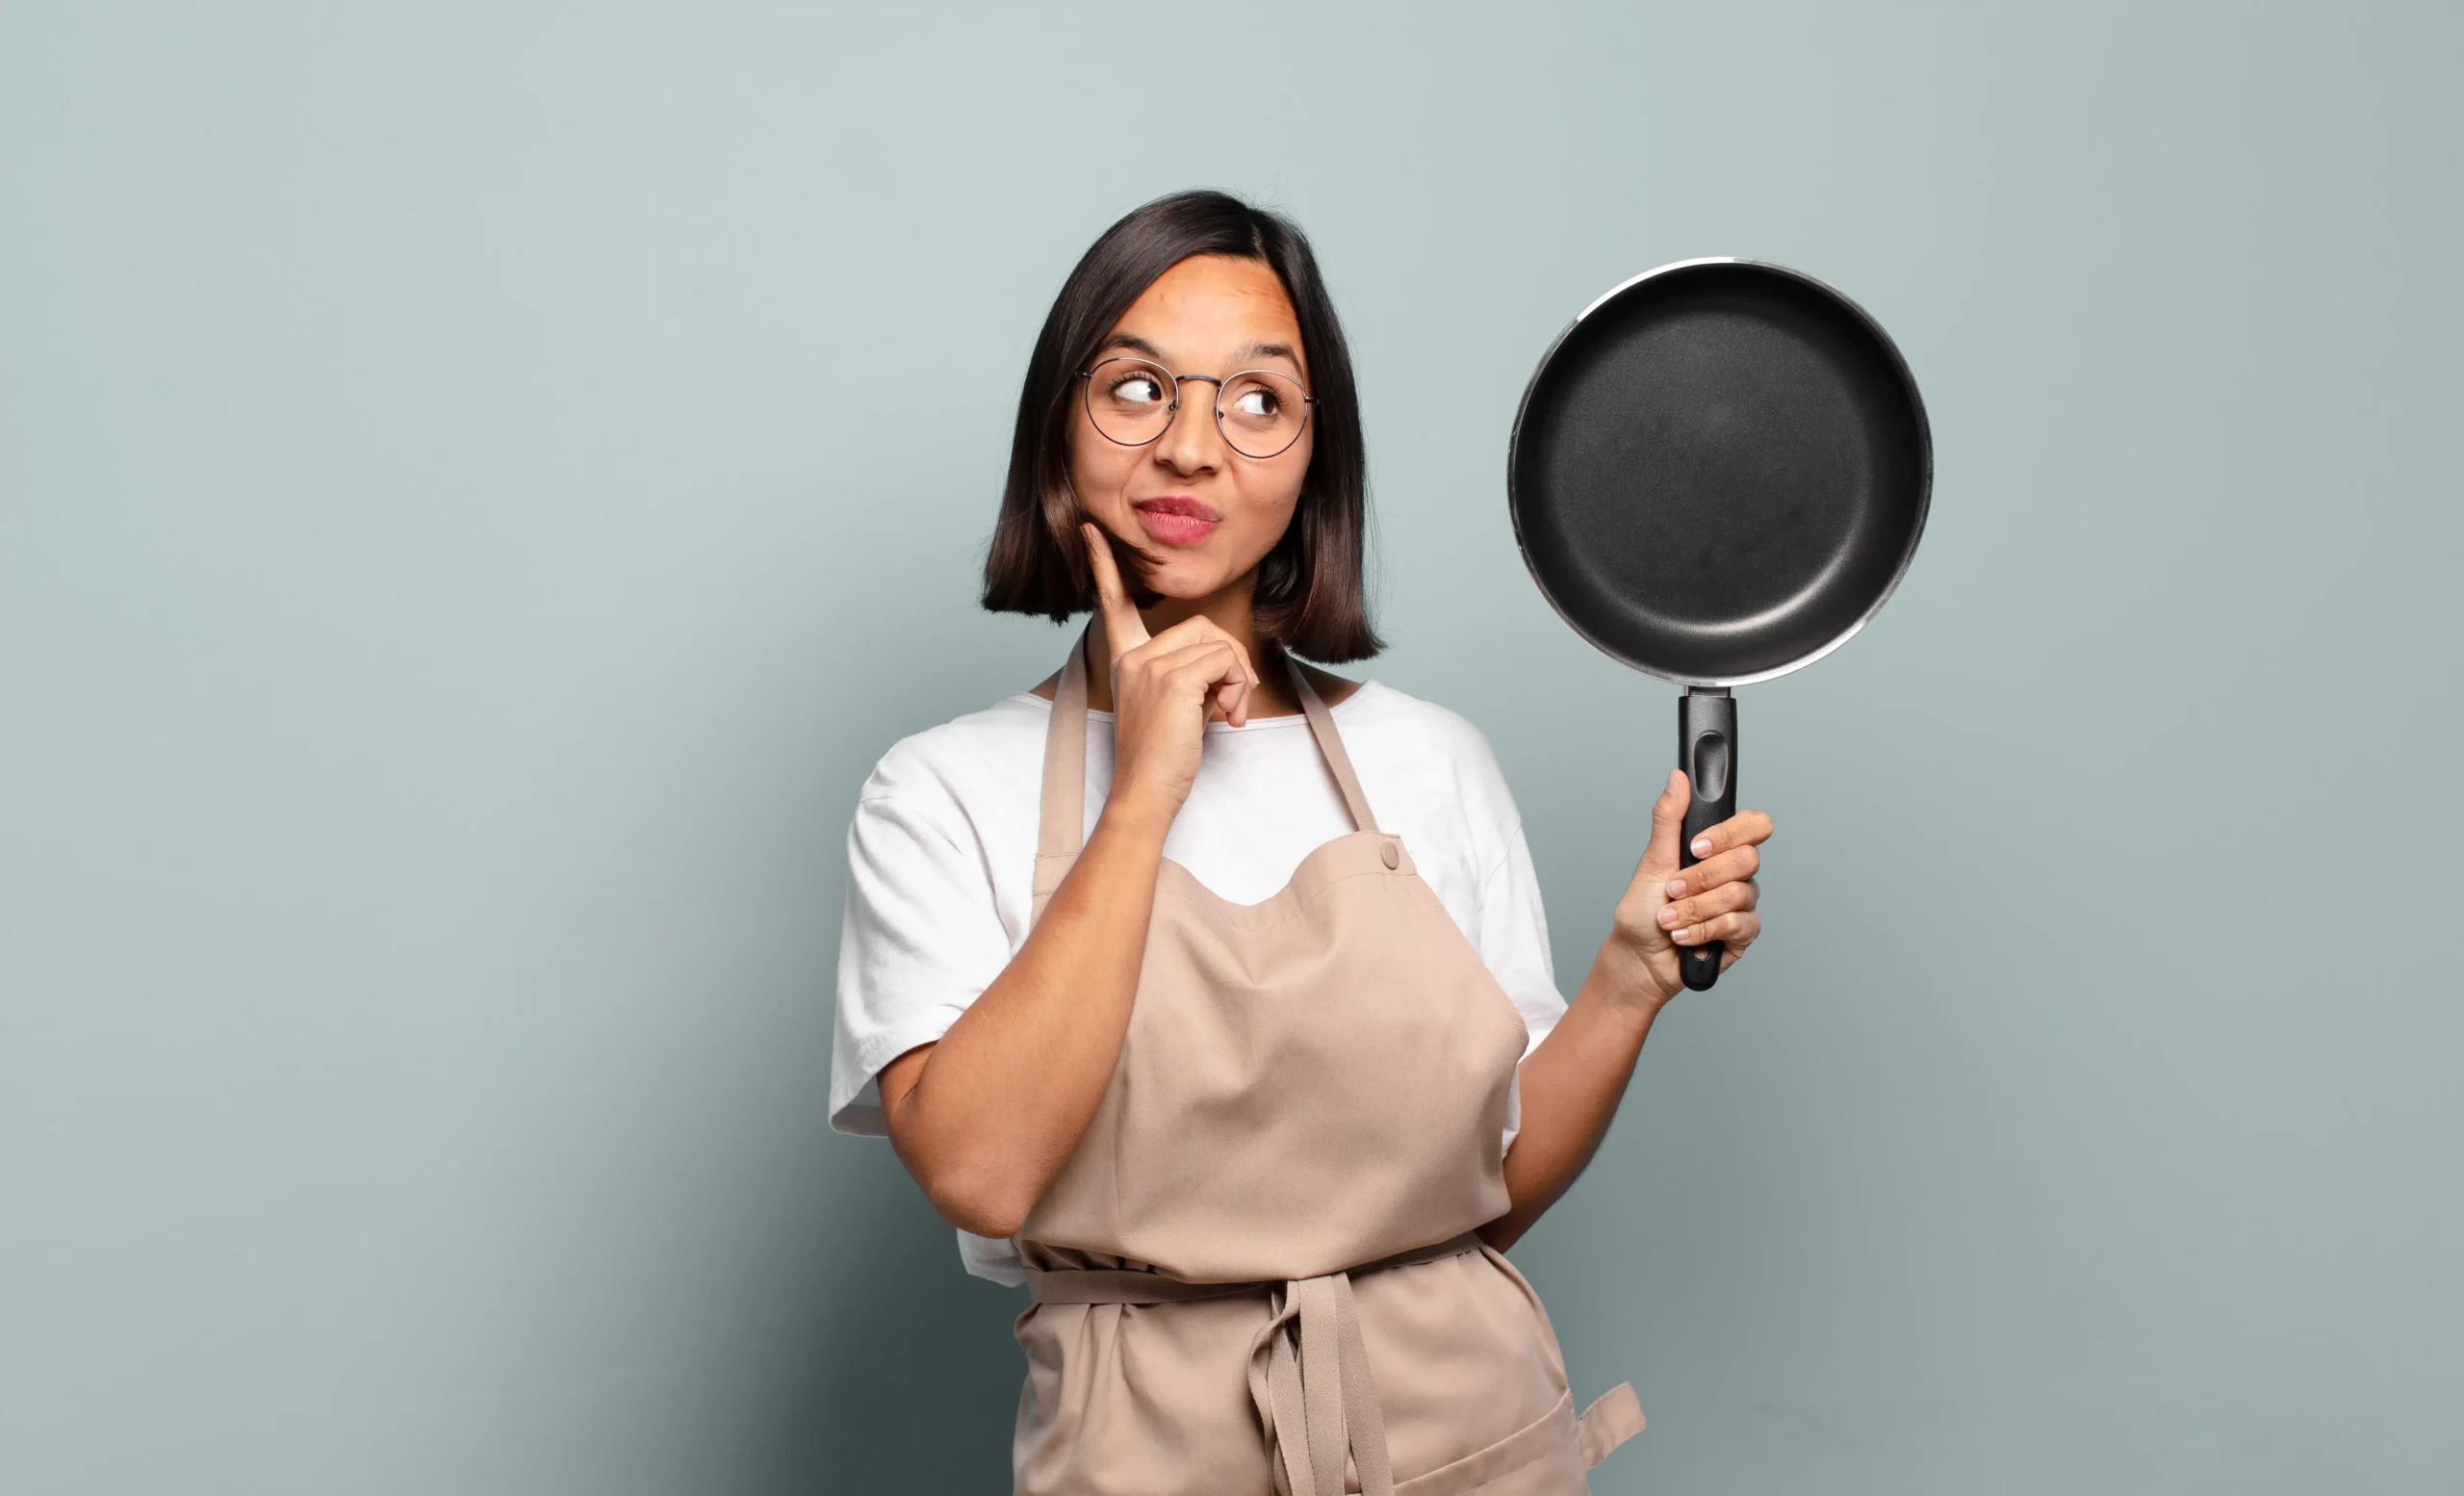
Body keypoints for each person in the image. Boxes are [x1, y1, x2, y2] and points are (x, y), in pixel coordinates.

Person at [829, 190, 1774, 1496]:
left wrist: (1627, 979)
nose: (1193, 448)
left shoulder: (1430, 760)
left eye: (1258, 401)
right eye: (1138, 387)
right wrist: (1144, 787)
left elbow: (1483, 1196)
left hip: (1469, 1436)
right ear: (1061, 425)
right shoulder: (938, 789)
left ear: (1316, 456)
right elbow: (983, 1171)